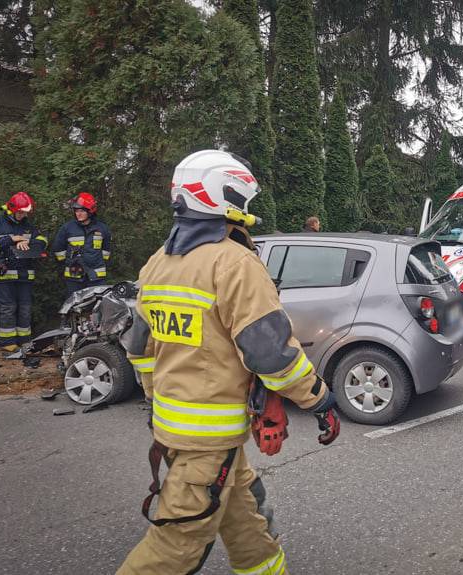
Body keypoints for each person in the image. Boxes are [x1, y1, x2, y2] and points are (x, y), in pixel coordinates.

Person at [117, 150, 340, 574]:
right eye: (241, 197)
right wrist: (319, 400)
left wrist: (158, 401)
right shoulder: (234, 262)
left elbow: (139, 349)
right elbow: (272, 356)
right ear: (224, 195)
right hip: (210, 439)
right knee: (174, 546)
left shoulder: (157, 264)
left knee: (247, 522)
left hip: (177, 433)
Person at [0, 192, 47, 351]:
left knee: (25, 308)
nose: (23, 215)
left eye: (25, 212)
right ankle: (7, 343)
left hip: (25, 276)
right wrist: (12, 239)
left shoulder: (28, 226)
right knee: (7, 309)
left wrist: (29, 241)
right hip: (4, 276)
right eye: (20, 212)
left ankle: (25, 340)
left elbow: (43, 241)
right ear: (12, 209)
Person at [52, 192, 112, 296]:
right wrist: (69, 262)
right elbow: (58, 249)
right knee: (74, 307)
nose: (78, 214)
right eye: (76, 211)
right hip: (74, 277)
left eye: (82, 211)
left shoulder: (102, 228)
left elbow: (106, 251)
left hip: (96, 277)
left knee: (96, 307)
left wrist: (95, 262)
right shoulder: (67, 228)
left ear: (90, 211)